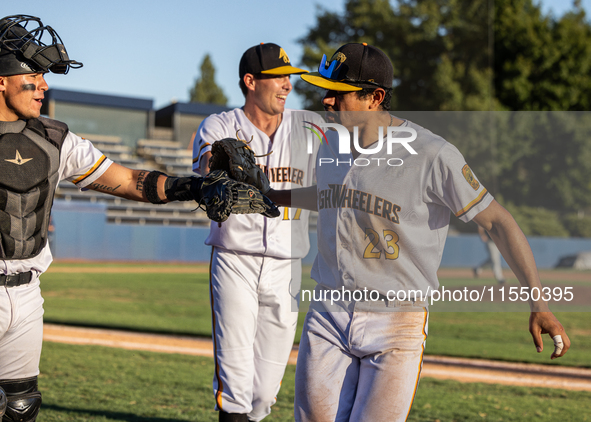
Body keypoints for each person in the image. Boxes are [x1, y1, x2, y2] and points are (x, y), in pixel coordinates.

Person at [266, 42, 571, 421]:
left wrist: (538, 304)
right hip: (328, 310)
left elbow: (498, 222)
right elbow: (332, 196)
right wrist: (272, 194)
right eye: (325, 91)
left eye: (339, 94)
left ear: (375, 97)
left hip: (397, 321)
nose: (326, 101)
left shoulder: (432, 154)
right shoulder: (332, 143)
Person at [0, 15, 269, 422]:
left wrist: (195, 188)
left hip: (26, 294)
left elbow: (128, 180)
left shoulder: (55, 139)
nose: (45, 85)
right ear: (2, 78)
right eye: (34, 74)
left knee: (21, 408)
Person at [192, 43, 323, 422]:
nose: (287, 85)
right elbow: (205, 167)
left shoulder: (311, 126)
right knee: (235, 385)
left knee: (264, 393)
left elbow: (336, 181)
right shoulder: (220, 124)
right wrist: (218, 162)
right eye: (278, 77)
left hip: (287, 267)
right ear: (250, 81)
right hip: (235, 260)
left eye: (289, 78)